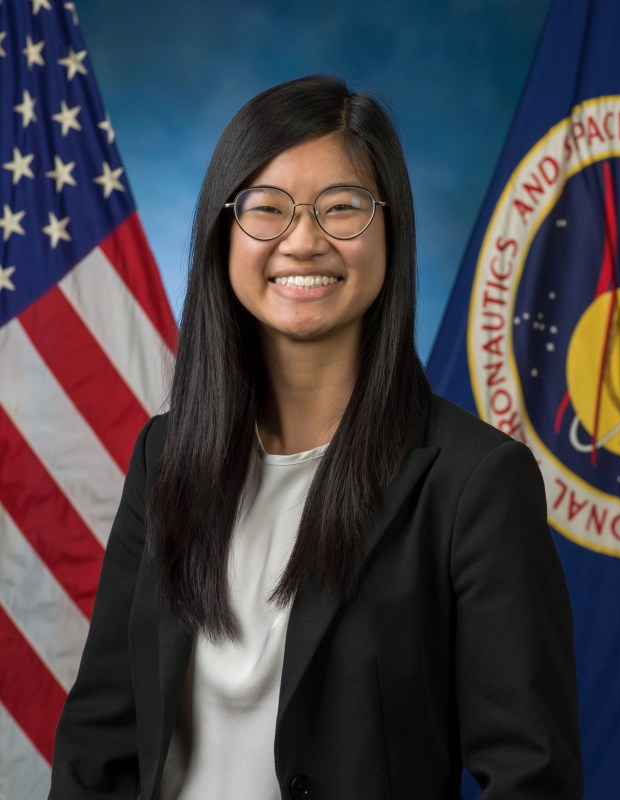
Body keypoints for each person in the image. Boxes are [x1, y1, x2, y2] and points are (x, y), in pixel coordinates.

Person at [48, 75, 583, 800]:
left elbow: (531, 777)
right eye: (266, 209)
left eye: (342, 208)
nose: (303, 241)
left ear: (392, 230)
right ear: (222, 233)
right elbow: (98, 746)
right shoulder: (165, 456)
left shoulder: (476, 483)